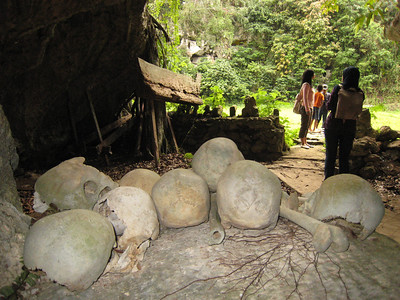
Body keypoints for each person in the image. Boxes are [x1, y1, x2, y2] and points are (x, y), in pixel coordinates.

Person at [324, 66, 365, 179]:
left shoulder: (338, 88)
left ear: (344, 76)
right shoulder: (360, 92)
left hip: (333, 126)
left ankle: (328, 180)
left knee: (330, 155)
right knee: (344, 157)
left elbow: (330, 106)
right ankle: (343, 182)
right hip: (349, 127)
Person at [298, 69, 315, 149]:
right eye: (313, 74)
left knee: (307, 125)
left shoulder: (309, 85)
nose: (314, 76)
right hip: (306, 108)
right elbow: (304, 97)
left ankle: (305, 141)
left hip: (310, 107)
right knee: (304, 125)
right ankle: (302, 142)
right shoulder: (306, 85)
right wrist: (307, 109)